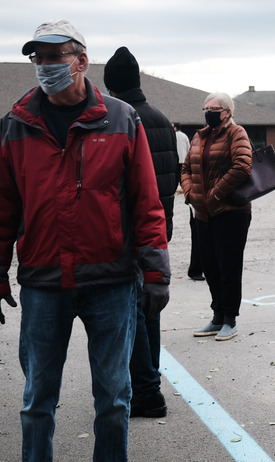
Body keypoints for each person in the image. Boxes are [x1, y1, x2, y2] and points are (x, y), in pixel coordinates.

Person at [0, 20, 170, 462]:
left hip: (110, 281)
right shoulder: (17, 123)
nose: (45, 67)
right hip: (42, 281)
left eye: (54, 56)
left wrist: (156, 273)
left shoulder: (121, 119)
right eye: (37, 58)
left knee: (114, 393)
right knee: (38, 396)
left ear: (82, 60)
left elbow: (146, 204)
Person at [103, 46, 177, 419]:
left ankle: (145, 391)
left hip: (132, 234)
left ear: (111, 86)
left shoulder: (122, 119)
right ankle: (151, 382)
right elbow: (174, 174)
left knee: (131, 312)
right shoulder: (162, 118)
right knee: (152, 309)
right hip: (161, 228)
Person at [180, 92, 252, 341]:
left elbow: (242, 165)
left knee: (228, 267)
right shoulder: (200, 136)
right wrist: (191, 194)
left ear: (227, 112)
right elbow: (186, 168)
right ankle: (217, 316)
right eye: (206, 108)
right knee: (209, 266)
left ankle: (230, 319)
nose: (208, 112)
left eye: (213, 108)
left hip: (230, 212)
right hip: (202, 213)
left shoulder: (236, 133)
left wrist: (213, 195)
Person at [174, 123, 203, 281]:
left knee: (198, 235)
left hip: (198, 198)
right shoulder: (194, 139)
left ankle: (196, 269)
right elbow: (187, 169)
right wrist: (189, 192)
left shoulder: (195, 139)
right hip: (198, 198)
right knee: (200, 234)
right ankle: (198, 269)